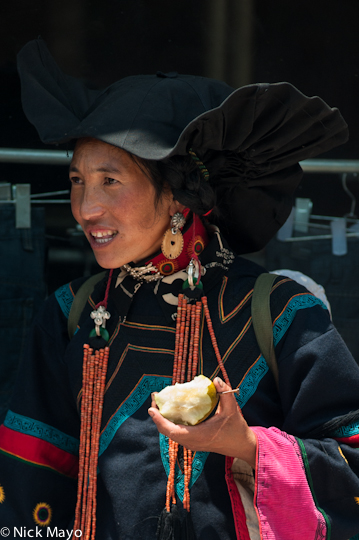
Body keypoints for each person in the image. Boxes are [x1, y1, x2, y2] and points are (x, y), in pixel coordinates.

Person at [0, 38, 358, 540]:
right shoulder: (71, 315)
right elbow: (27, 489)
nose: (84, 208)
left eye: (110, 181)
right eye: (78, 180)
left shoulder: (278, 312)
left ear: (177, 196)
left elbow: (352, 460)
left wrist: (249, 445)